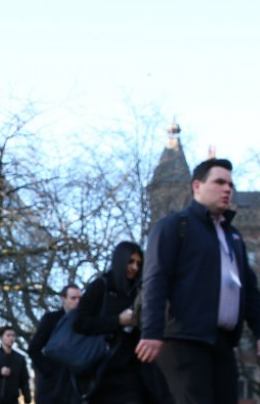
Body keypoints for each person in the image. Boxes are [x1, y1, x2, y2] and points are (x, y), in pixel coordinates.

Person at [137, 158, 260, 404]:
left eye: (230, 184)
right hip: (184, 340)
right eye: (219, 182)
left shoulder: (233, 236)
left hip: (222, 343)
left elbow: (249, 291)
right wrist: (151, 331)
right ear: (197, 186)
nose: (227, 189)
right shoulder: (172, 227)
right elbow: (155, 279)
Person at [75, 241, 145, 403]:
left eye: (138, 263)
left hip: (129, 370)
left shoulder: (138, 291)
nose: (134, 267)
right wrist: (117, 321)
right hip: (101, 370)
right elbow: (80, 322)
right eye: (130, 261)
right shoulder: (101, 286)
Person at [28, 284, 81, 404]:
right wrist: (49, 372)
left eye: (80, 298)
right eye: (73, 298)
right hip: (53, 385)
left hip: (75, 384)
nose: (78, 302)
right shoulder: (51, 319)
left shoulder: (83, 322)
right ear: (63, 299)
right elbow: (34, 349)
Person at [0, 326, 32, 404]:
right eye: (8, 335)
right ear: (1, 337)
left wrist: (27, 398)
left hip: (12, 399)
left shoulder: (20, 358)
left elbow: (24, 380)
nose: (11, 338)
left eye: (13, 335)